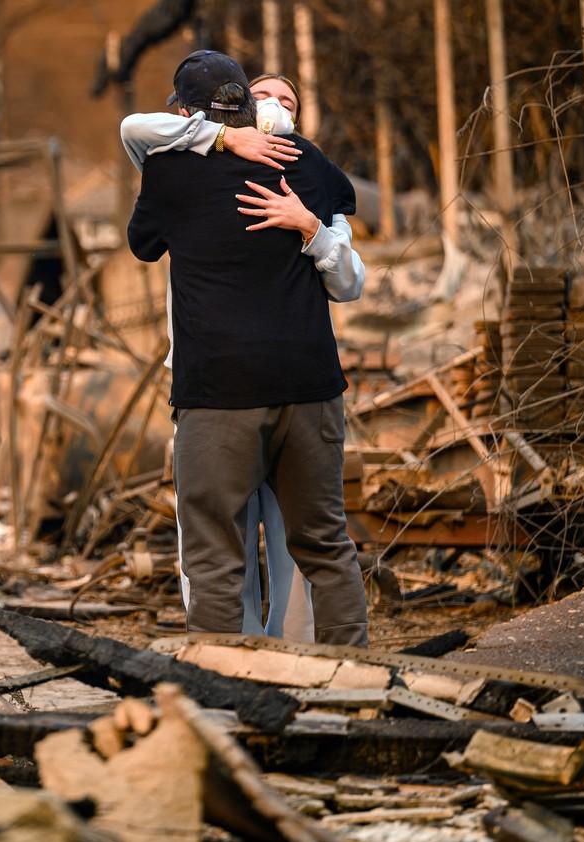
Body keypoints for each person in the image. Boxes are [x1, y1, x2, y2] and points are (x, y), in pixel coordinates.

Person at [127, 50, 368, 646]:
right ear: (249, 104)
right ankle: (351, 682)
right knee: (326, 544)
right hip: (308, 386)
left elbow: (143, 242)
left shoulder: (169, 170)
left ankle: (219, 688)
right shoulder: (308, 163)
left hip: (218, 394)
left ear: (186, 110)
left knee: (213, 554)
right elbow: (342, 203)